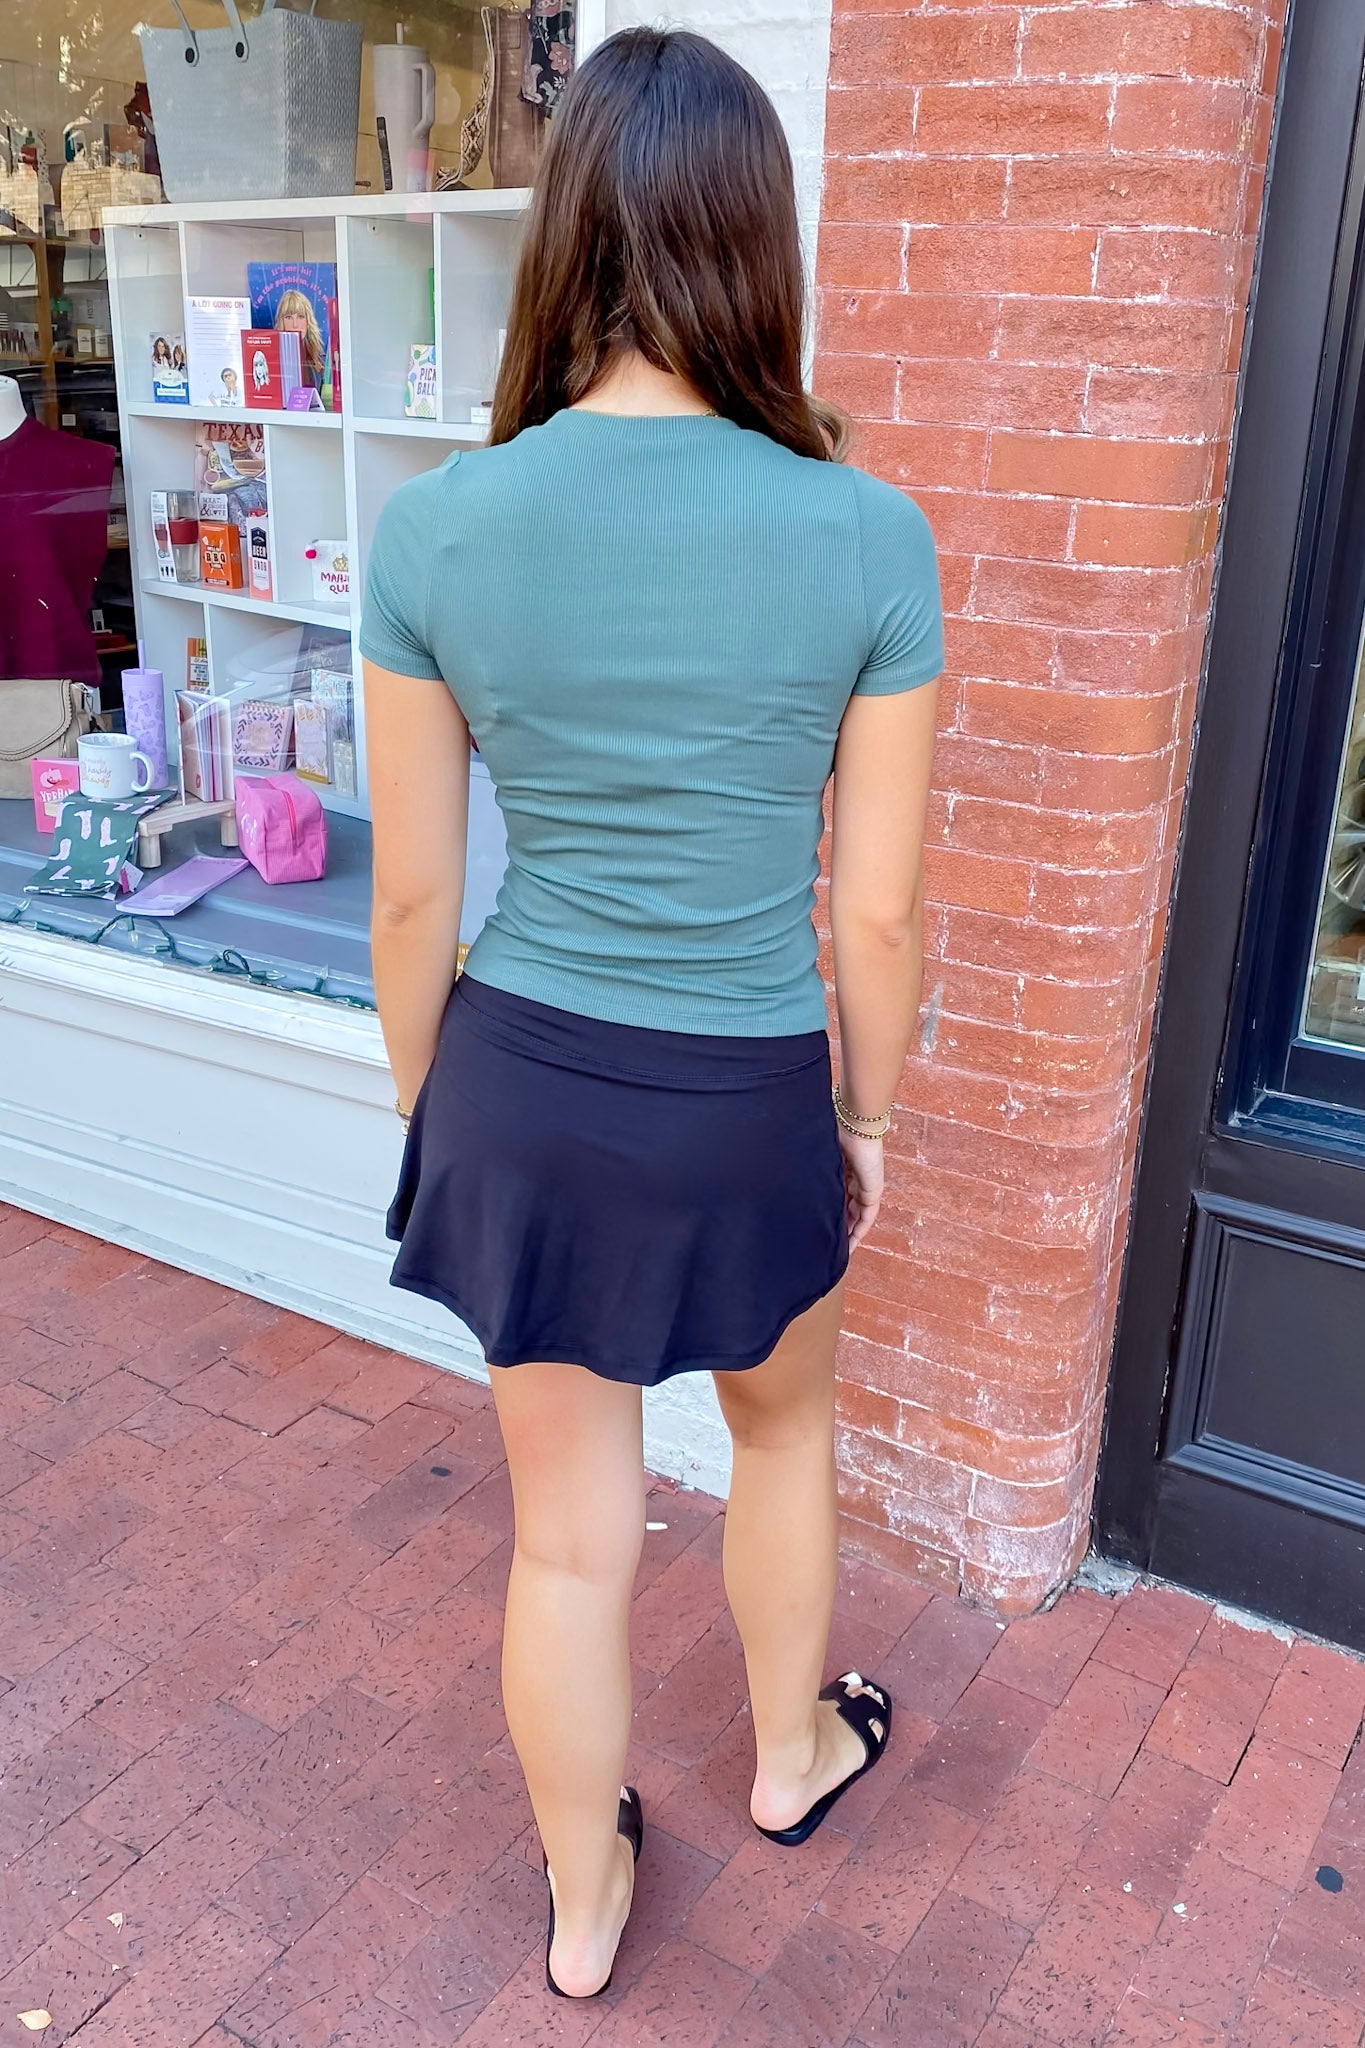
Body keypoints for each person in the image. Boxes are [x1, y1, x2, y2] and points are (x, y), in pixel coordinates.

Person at [360, 26, 942, 2002]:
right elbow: (874, 910)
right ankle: (789, 1760)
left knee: (566, 1537)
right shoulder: (865, 532)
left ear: (565, 235)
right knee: (782, 1433)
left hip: (519, 1083)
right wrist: (864, 1118)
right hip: (747, 1087)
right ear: (755, 240)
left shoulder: (439, 528)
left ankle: (584, 1909)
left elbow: (413, 899)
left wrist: (442, 1111)